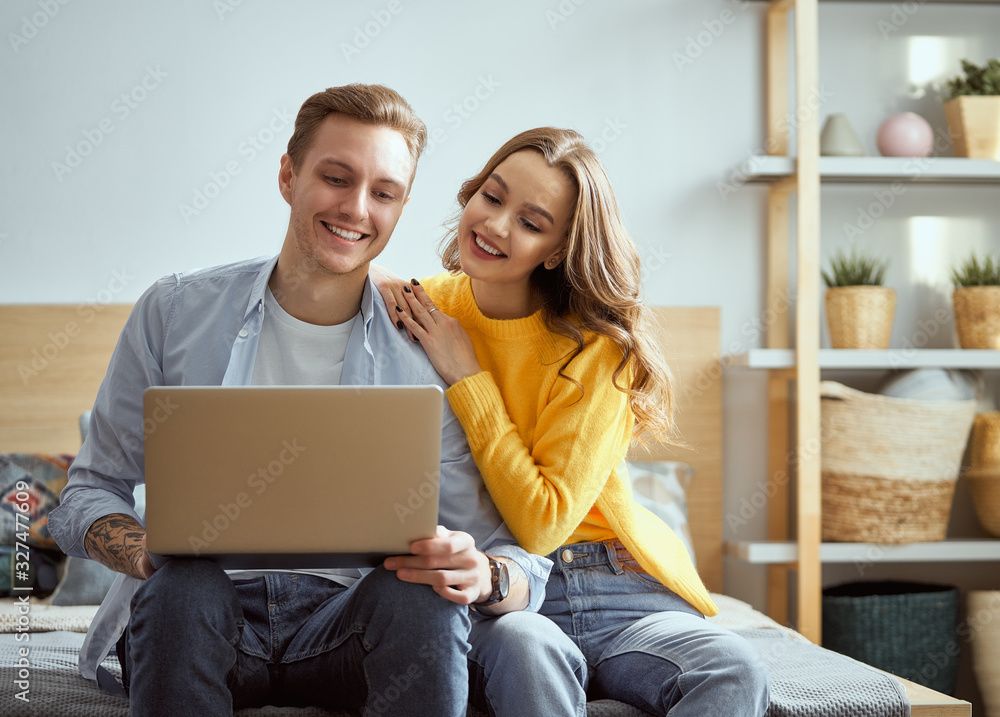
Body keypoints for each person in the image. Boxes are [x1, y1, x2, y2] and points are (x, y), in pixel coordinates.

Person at [48, 86, 589, 717]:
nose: (357, 209)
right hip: (204, 617)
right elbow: (84, 496)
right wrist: (141, 550)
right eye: (336, 178)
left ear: (402, 206)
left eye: (383, 193)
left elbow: (522, 554)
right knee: (182, 586)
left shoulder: (432, 350)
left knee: (418, 597)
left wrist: (486, 573)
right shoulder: (173, 314)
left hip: (350, 628)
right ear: (287, 175)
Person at [373, 127, 772, 716]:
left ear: (558, 251)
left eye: (531, 223)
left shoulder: (597, 350)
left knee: (733, 668)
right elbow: (342, 282)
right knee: (527, 651)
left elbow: (544, 522)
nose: (496, 225)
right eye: (492, 196)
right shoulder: (422, 308)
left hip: (620, 584)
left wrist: (467, 377)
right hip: (507, 589)